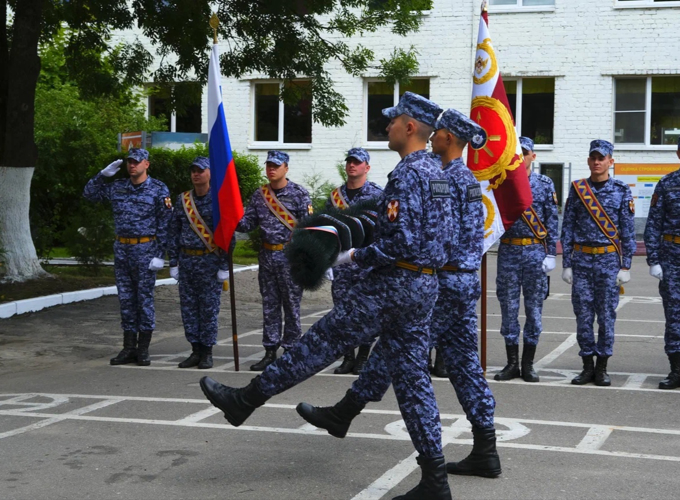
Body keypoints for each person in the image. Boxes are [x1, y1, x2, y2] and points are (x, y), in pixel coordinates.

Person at [200, 92, 455, 499]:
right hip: (423, 287)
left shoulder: (408, 174)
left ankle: (245, 400)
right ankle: (435, 480)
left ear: (410, 127)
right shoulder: (439, 173)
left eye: (392, 121)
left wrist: (355, 255)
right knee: (412, 381)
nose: (385, 126)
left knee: (321, 341)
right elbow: (442, 239)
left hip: (393, 286)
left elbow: (401, 241)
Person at [297, 108, 501, 479]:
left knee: (393, 353)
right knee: (463, 363)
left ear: (450, 138)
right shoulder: (467, 178)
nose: (433, 136)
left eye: (438, 132)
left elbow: (437, 235)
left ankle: (345, 411)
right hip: (464, 280)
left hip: (446, 281)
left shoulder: (447, 178)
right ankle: (486, 448)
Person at [83, 148, 172, 366]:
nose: (132, 165)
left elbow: (166, 223)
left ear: (146, 164)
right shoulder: (118, 187)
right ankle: (128, 347)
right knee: (126, 300)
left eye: (136, 162)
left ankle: (143, 349)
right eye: (129, 162)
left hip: (145, 249)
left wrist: (160, 254)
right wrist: (102, 176)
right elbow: (89, 194)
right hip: (122, 249)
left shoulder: (158, 189)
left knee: (144, 300)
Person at [560, 140, 636, 386]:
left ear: (610, 162)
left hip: (608, 260)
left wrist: (626, 265)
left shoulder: (621, 190)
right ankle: (586, 366)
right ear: (588, 160)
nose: (596, 162)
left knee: (605, 315)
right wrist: (567, 263)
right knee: (582, 314)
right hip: (581, 260)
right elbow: (568, 226)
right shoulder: (578, 188)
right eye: (593, 158)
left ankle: (602, 367)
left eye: (601, 158)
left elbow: (628, 231)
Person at [235, 150, 312, 371]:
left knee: (291, 306)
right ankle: (270, 351)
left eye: (276, 166)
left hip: (290, 258)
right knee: (269, 306)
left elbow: (308, 228)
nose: (271, 169)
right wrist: (231, 215)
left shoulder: (299, 194)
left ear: (286, 168)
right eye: (269, 165)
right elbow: (248, 224)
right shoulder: (260, 195)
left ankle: (291, 351)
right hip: (267, 257)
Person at [494, 137, 559, 382]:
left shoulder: (544, 184)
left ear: (533, 156)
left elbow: (552, 220)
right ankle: (511, 363)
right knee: (508, 308)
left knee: (534, 309)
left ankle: (528, 364)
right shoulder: (501, 182)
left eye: (525, 153)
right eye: (516, 153)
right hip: (509, 251)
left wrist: (551, 253)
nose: (520, 157)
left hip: (535, 252)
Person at [167, 157, 231, 369]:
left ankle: (207, 352)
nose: (196, 174)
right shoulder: (183, 200)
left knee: (208, 309)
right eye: (193, 170)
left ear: (210, 173)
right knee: (189, 308)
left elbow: (227, 234)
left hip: (209, 261)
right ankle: (194, 349)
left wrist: (224, 265)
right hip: (187, 261)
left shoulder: (218, 200)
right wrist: (173, 261)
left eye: (201, 170)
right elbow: (174, 231)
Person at [644, 133, 680, 390]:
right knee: (675, 316)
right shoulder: (666, 184)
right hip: (672, 257)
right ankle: (677, 371)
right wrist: (654, 260)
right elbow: (653, 225)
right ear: (678, 154)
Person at [327, 147, 383, 375]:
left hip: (365, 263)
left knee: (366, 312)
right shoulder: (335, 196)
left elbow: (383, 231)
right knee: (342, 311)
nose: (352, 165)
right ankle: (347, 357)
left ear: (367, 167)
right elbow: (329, 228)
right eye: (349, 161)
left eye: (357, 162)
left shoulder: (378, 195)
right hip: (341, 264)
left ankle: (362, 357)